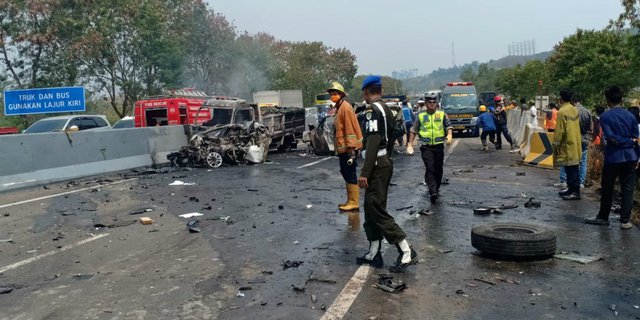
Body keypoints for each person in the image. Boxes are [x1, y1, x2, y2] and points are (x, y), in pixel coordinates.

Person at [356, 75, 417, 272]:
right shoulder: (388, 110)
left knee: (376, 209)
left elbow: (373, 141)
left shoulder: (372, 111)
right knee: (370, 208)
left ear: (367, 91)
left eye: (364, 93)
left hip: (376, 165)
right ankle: (374, 252)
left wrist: (365, 171)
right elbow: (393, 137)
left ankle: (406, 250)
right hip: (383, 161)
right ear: (380, 91)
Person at [585, 86, 640, 229]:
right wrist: (631, 145)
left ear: (608, 101)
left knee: (607, 187)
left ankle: (603, 216)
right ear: (621, 99)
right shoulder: (631, 116)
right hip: (631, 156)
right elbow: (636, 137)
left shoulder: (605, 117)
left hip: (614, 157)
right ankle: (625, 220)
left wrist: (624, 141)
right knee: (628, 188)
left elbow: (611, 138)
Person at [406, 93, 453, 204]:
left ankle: (436, 188)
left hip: (439, 146)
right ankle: (432, 191)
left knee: (438, 168)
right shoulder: (421, 115)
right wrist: (409, 144)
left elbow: (448, 126)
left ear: (436, 103)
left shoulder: (442, 114)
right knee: (430, 167)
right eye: (429, 102)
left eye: (434, 102)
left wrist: (449, 135)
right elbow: (414, 130)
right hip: (426, 147)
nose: (432, 104)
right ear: (426, 104)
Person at [328, 81, 363, 211]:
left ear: (341, 94)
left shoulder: (345, 107)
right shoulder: (340, 107)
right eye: (331, 94)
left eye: (335, 94)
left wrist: (351, 148)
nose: (332, 96)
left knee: (350, 173)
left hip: (348, 149)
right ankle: (350, 200)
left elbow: (349, 129)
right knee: (345, 172)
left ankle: (354, 202)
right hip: (343, 148)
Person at [554, 90, 582, 200]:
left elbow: (559, 131)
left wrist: (556, 144)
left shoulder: (562, 111)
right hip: (575, 142)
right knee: (572, 167)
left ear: (561, 99)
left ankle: (575, 192)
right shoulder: (574, 109)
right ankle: (571, 189)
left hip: (567, 144)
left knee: (571, 169)